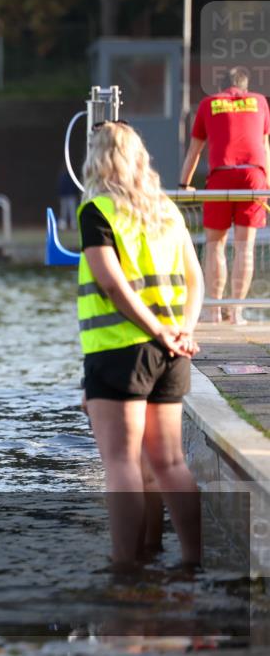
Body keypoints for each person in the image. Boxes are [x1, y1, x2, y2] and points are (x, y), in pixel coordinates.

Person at [79, 121, 204, 567]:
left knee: (121, 465)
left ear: (98, 159)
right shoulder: (166, 210)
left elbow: (112, 285)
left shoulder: (98, 210)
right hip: (171, 353)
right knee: (170, 464)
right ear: (139, 158)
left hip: (120, 351)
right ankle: (191, 561)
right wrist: (181, 332)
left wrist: (155, 329)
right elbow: (196, 280)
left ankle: (126, 566)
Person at [179, 67, 270, 324]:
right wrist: (267, 186)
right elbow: (265, 147)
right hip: (254, 177)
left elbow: (194, 151)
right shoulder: (260, 102)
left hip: (221, 175)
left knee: (214, 245)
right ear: (245, 86)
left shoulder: (209, 104)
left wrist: (183, 185)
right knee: (245, 248)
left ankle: (213, 311)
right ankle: (237, 312)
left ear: (220, 87)